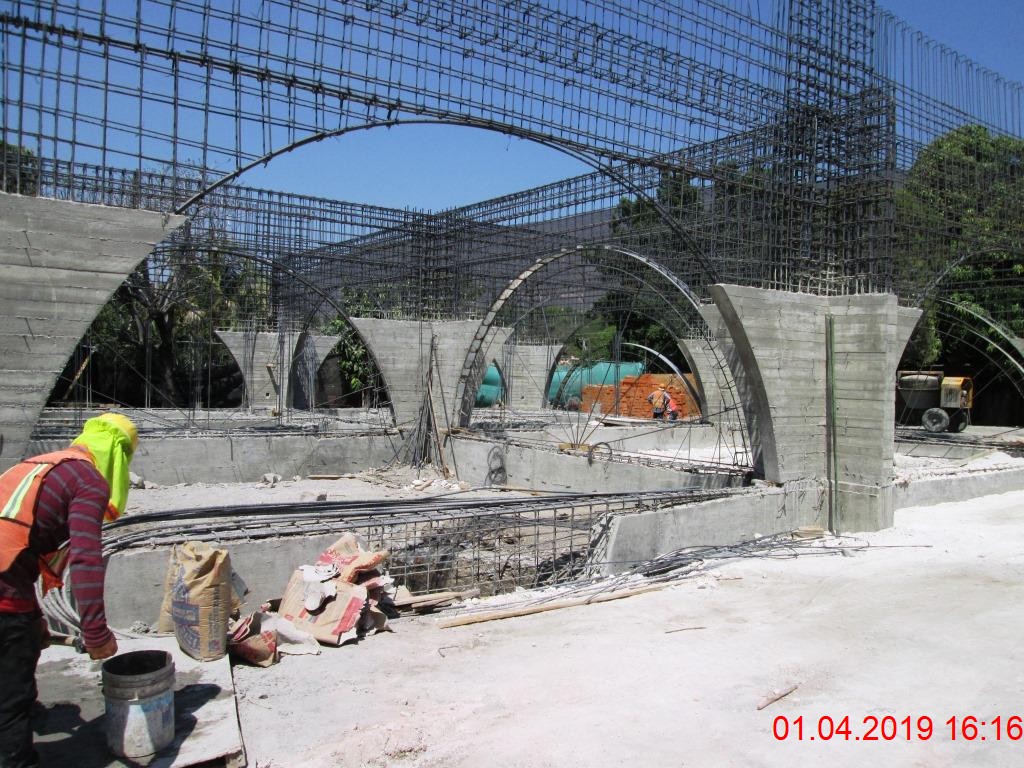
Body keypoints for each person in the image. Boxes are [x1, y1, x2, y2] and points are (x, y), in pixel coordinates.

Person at [0, 413, 137, 768]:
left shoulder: (40, 466)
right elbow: (86, 559)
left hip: (9, 584)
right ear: (117, 454)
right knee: (10, 705)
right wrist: (96, 634)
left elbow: (15, 547)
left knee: (17, 664)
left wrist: (33, 620)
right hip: (4, 598)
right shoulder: (87, 480)